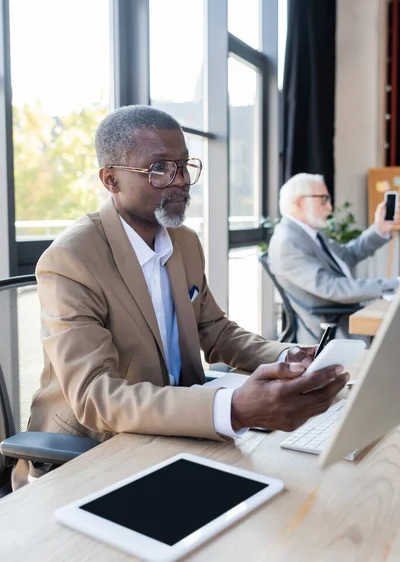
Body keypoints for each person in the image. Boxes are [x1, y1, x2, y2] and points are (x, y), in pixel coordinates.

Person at [15, 108, 348, 487]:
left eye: (185, 164)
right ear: (111, 179)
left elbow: (215, 330)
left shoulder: (184, 242)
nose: (182, 181)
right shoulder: (70, 260)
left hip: (172, 433)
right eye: (159, 168)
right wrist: (234, 407)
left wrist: (289, 358)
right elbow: (96, 396)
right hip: (92, 451)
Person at [268, 173, 399, 343]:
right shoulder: (288, 242)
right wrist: (394, 284)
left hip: (344, 319)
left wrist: (379, 229)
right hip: (331, 334)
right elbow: (332, 288)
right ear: (299, 202)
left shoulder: (309, 233)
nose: (329, 207)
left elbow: (347, 255)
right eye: (323, 199)